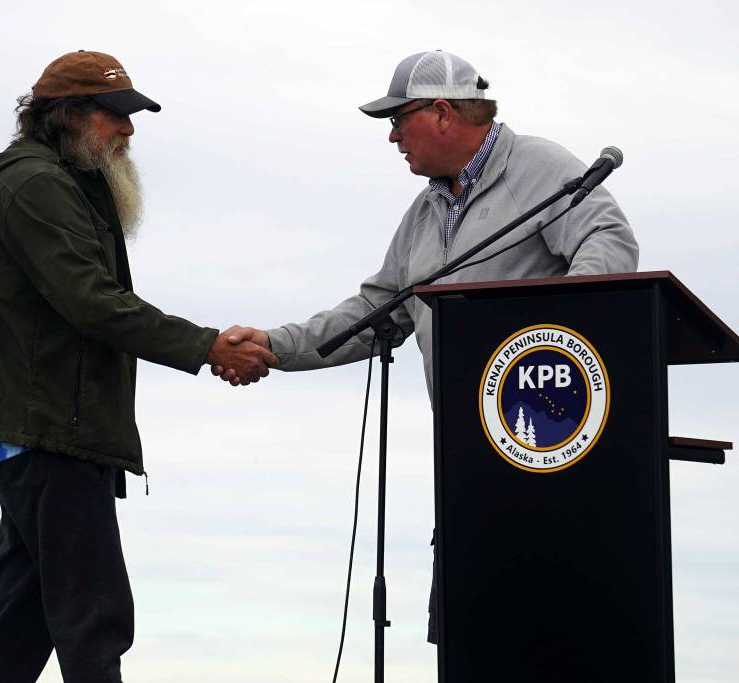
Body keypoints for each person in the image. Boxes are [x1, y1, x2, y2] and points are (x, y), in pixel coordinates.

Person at [213, 51, 639, 642]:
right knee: (470, 643)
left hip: (553, 461)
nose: (392, 137)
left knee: (554, 646)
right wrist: (274, 345)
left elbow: (608, 242)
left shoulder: (541, 168)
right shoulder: (424, 212)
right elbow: (375, 312)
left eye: (398, 119)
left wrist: (555, 341)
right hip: (470, 470)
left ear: (442, 112)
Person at [0, 50, 275, 683]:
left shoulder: (47, 182)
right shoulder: (36, 187)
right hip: (51, 434)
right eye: (114, 113)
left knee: (22, 623)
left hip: (42, 433)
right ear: (66, 115)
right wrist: (207, 346)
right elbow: (93, 302)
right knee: (94, 617)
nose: (128, 128)